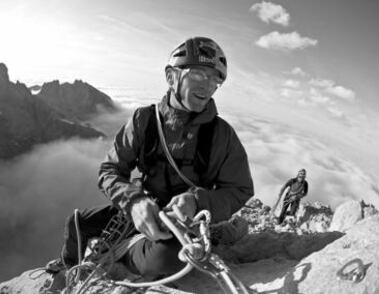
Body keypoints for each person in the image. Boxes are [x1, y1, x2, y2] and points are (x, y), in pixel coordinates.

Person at [46, 37, 254, 279]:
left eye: (215, 78)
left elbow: (239, 189)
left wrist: (198, 202)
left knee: (165, 261)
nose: (208, 86)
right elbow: (110, 170)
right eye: (198, 74)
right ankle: (69, 265)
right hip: (140, 209)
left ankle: (123, 253)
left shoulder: (222, 135)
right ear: (171, 77)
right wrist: (134, 202)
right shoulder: (143, 121)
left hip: (183, 223)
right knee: (77, 223)